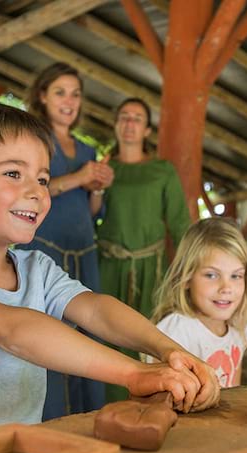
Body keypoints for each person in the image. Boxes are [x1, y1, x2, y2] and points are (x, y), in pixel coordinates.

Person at [0, 101, 219, 450]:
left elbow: (97, 310)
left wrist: (170, 351)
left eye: (43, 178)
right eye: (13, 174)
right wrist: (136, 373)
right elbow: (14, 330)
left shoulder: (36, 267)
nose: (37, 191)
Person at [18, 62, 113, 420]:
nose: (69, 100)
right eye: (60, 92)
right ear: (42, 96)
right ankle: (49, 419)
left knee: (89, 333)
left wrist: (98, 187)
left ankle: (89, 417)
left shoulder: (87, 150)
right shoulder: (32, 140)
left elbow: (92, 212)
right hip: (45, 249)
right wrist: (77, 178)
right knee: (47, 336)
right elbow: (31, 191)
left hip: (83, 250)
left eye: (75, 94)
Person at [97, 97, 191, 400]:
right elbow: (88, 215)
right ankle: (105, 408)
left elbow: (179, 223)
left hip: (152, 267)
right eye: (124, 117)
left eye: (137, 118)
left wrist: (191, 272)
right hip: (108, 265)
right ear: (115, 125)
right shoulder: (103, 168)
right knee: (105, 335)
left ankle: (150, 404)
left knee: (150, 336)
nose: (129, 123)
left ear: (147, 130)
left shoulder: (162, 170)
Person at [146, 218, 247, 388]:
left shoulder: (240, 330)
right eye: (212, 275)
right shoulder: (175, 332)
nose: (226, 288)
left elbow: (234, 391)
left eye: (236, 276)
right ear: (187, 277)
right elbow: (157, 399)